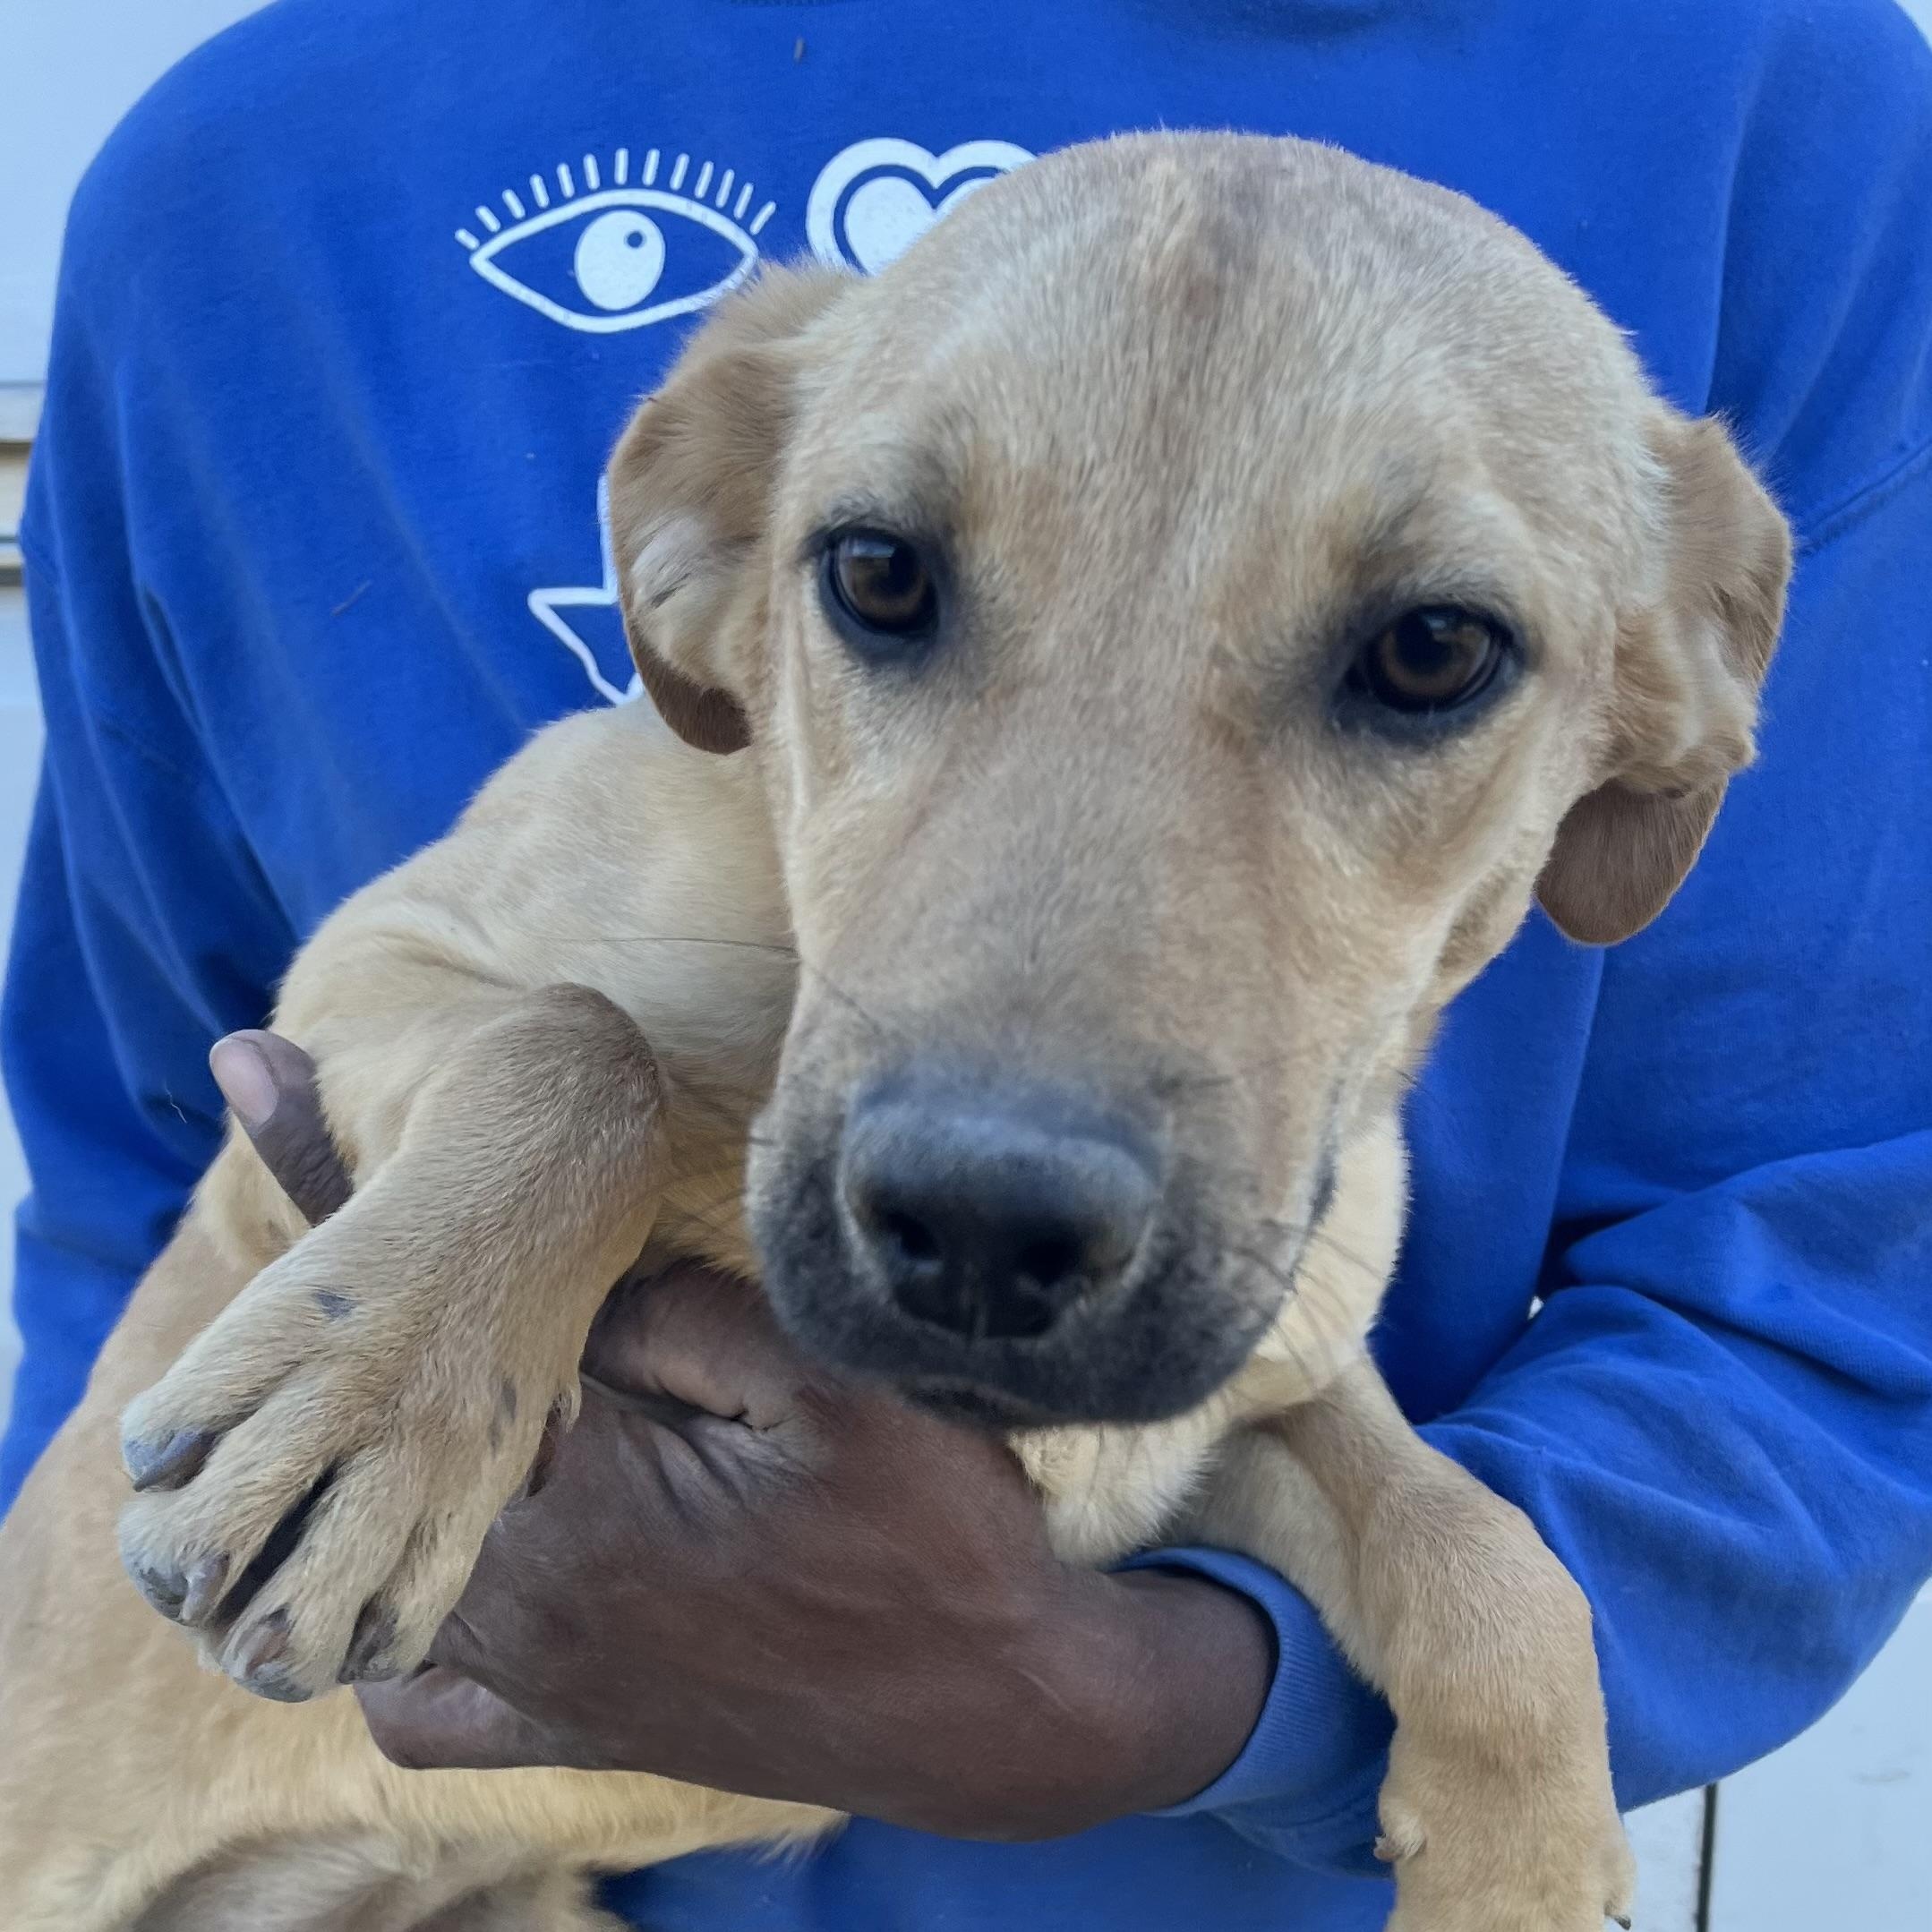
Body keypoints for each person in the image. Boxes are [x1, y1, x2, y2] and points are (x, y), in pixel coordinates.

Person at [5, 1, 1931, 1926]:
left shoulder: (1784, 129)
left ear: (1658, 725)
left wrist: (1140, 1699)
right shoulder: (234, 191)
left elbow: (1820, 1264)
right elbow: (142, 1141)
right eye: (887, 589)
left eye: (1418, 657)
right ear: (707, 588)